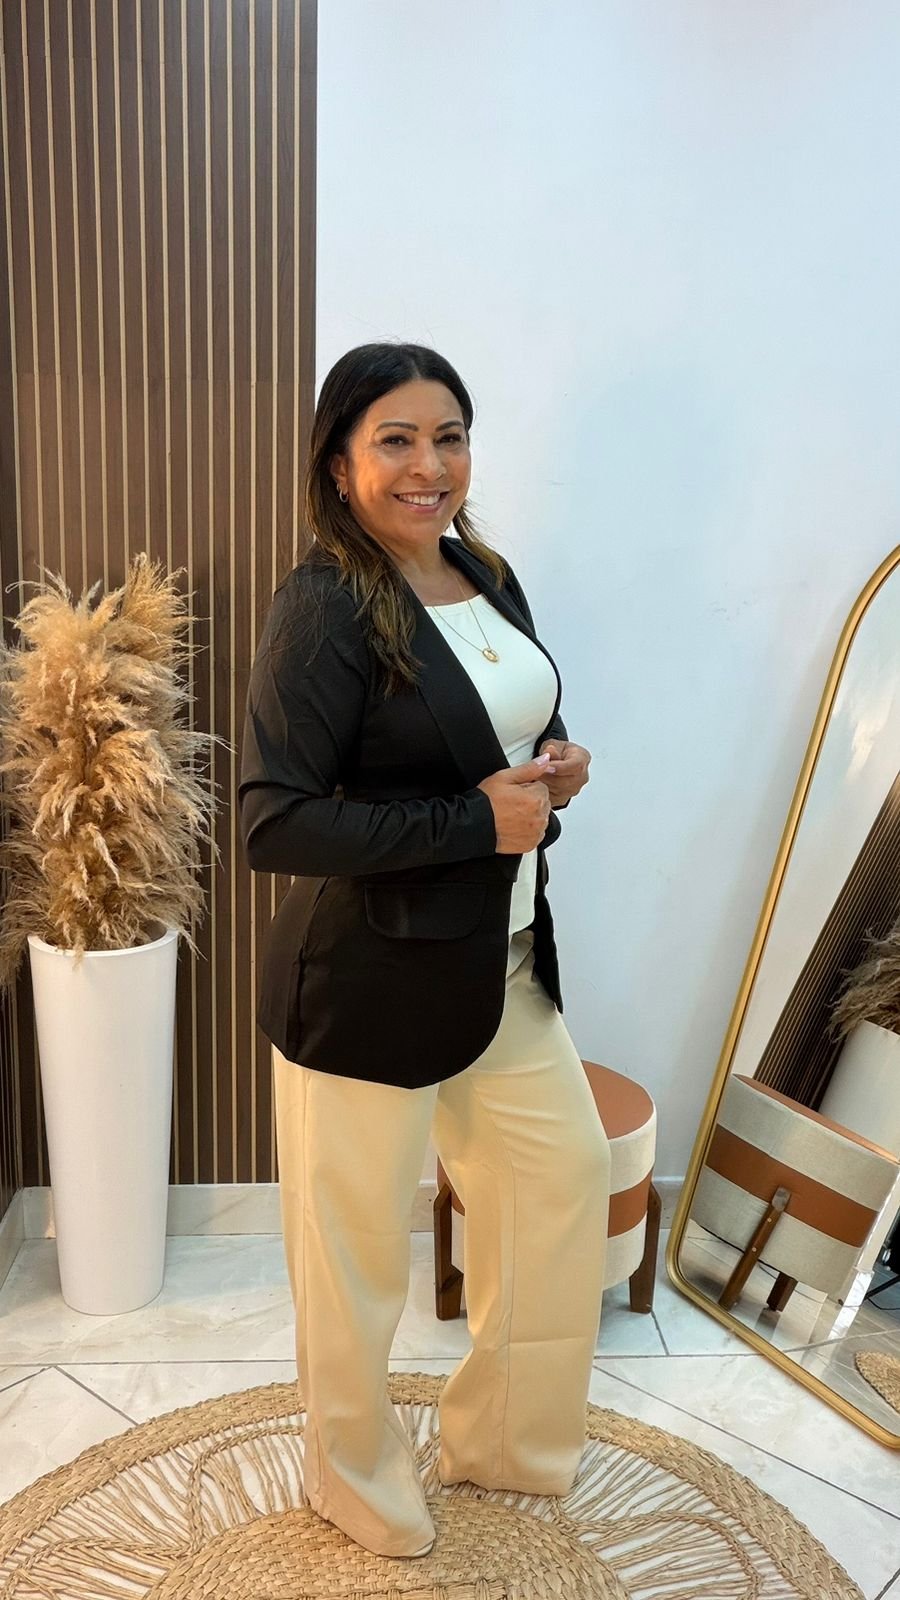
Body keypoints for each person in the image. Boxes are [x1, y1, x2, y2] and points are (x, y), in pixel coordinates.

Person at [238, 341, 611, 1560]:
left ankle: (503, 1438)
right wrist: (471, 823)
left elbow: (502, 720)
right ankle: (348, 1472)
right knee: (354, 1255)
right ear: (339, 462)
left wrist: (557, 765)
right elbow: (273, 820)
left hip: (501, 962)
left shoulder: (482, 572)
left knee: (558, 1185)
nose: (429, 464)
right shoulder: (326, 605)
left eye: (448, 436)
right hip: (366, 981)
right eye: (394, 439)